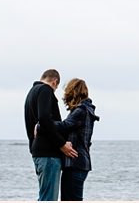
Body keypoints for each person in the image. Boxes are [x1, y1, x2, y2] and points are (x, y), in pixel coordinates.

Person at [24, 69, 78, 201]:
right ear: (55, 82)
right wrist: (62, 144)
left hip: (38, 152)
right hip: (48, 154)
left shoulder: (31, 93)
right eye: (56, 88)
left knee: (44, 196)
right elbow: (44, 119)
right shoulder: (45, 90)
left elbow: (31, 124)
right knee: (49, 198)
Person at [53, 79, 100, 201]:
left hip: (75, 164)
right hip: (81, 163)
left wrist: (42, 125)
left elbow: (64, 126)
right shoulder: (87, 110)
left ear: (72, 92)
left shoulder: (81, 110)